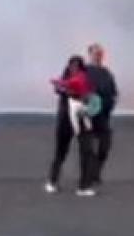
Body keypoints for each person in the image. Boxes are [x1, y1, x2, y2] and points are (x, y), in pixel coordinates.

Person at [46, 55, 99, 197]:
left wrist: (86, 99)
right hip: (66, 119)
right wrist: (67, 89)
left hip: (82, 117)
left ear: (81, 68)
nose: (74, 69)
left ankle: (84, 186)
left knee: (87, 151)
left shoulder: (85, 78)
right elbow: (58, 88)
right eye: (72, 66)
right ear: (68, 67)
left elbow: (92, 95)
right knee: (61, 151)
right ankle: (52, 181)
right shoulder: (65, 80)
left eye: (77, 66)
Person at [85, 44, 118, 185]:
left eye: (100, 54)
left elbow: (113, 92)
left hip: (103, 115)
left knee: (105, 144)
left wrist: (112, 104)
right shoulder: (84, 72)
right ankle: (89, 173)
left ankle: (96, 171)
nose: (98, 56)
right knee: (88, 146)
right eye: (96, 54)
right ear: (90, 55)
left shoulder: (106, 73)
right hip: (88, 114)